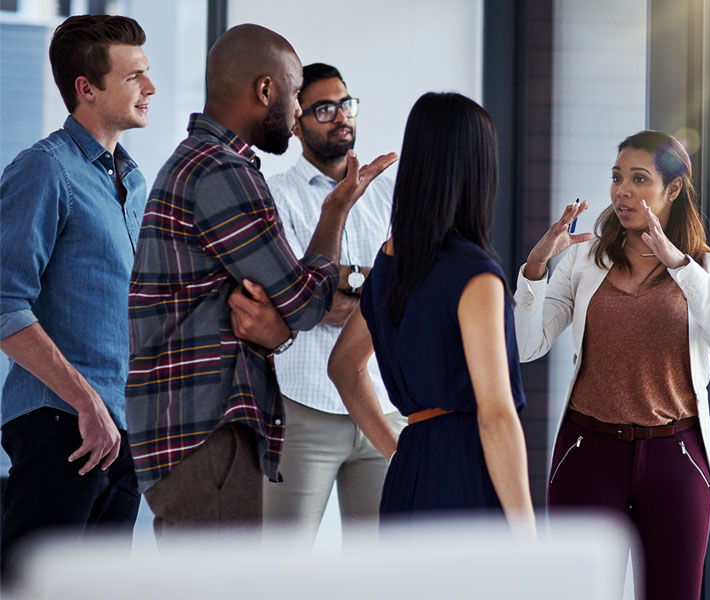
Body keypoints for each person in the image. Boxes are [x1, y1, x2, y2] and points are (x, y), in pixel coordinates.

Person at [125, 24, 396, 537]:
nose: (296, 113)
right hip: (208, 429)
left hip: (198, 427)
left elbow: (291, 305)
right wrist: (335, 218)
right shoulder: (222, 172)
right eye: (298, 97)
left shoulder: (205, 164)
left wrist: (288, 316)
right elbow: (305, 300)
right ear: (265, 90)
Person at [514, 130, 710, 600]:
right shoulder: (584, 258)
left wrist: (682, 267)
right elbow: (526, 346)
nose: (622, 190)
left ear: (674, 190)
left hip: (675, 457)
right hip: (587, 451)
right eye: (617, 177)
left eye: (639, 179)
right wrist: (536, 268)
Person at [327, 92, 535, 535]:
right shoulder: (475, 274)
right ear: (479, 170)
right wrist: (528, 534)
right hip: (469, 478)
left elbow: (344, 367)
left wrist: (398, 448)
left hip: (409, 478)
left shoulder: (389, 264)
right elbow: (496, 416)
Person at [0, 14, 155, 580]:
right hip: (62, 422)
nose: (151, 88)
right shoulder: (44, 171)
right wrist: (86, 403)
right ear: (86, 88)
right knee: (32, 586)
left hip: (121, 427)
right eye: (135, 76)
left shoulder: (132, 180)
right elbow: (3, 305)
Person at [264, 63, 405, 542]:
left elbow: (406, 289)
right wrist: (368, 282)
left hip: (383, 405)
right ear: (296, 121)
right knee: (282, 568)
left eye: (346, 104)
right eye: (324, 108)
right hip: (304, 407)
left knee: (382, 572)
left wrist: (343, 281)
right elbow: (300, 300)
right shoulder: (276, 196)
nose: (340, 116)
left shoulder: (388, 192)